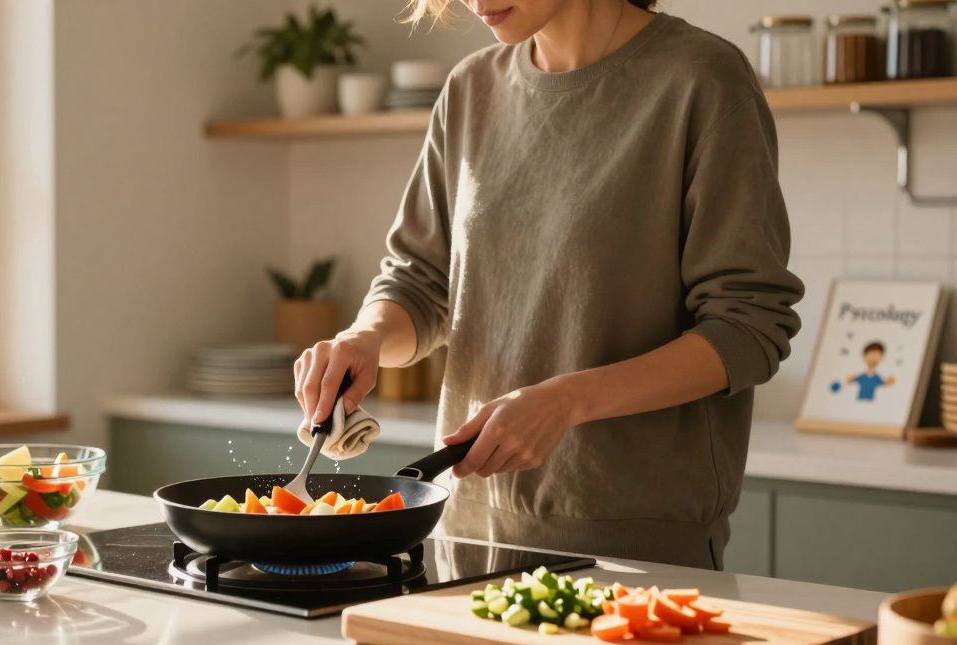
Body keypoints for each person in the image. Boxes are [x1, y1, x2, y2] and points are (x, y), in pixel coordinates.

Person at [292, 0, 804, 569]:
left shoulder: (701, 79)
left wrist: (567, 401)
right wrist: (366, 339)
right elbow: (423, 282)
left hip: (635, 546)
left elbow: (747, 328)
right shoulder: (471, 89)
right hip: (467, 528)